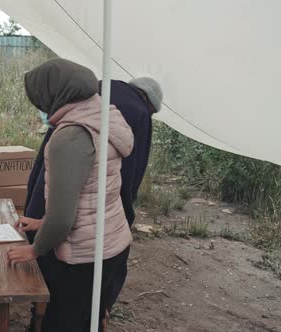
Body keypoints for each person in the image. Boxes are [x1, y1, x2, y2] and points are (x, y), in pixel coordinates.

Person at [7, 58, 134, 331]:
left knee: (62, 322)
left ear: (55, 94)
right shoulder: (104, 117)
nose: (40, 107)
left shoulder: (71, 137)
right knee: (90, 317)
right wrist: (42, 224)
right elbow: (90, 194)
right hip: (111, 241)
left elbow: (63, 217)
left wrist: (35, 248)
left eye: (39, 100)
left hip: (85, 255)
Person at [99, 77, 163, 314]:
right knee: (114, 249)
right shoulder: (140, 113)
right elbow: (133, 168)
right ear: (150, 105)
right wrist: (126, 209)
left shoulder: (102, 85)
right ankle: (101, 309)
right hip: (104, 195)